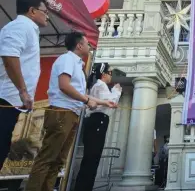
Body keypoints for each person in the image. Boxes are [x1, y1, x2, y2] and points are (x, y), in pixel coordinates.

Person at [25, 32, 116, 191]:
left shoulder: (77, 65)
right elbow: (64, 85)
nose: (89, 46)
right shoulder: (67, 59)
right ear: (79, 45)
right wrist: (87, 101)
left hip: (72, 114)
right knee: (47, 158)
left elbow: (80, 92)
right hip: (62, 112)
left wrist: (102, 101)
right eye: (87, 43)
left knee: (58, 160)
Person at [0, 0, 49, 170]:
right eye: (45, 11)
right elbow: (9, 56)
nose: (47, 16)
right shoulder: (20, 26)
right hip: (5, 98)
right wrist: (22, 90)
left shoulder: (29, 29)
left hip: (11, 101)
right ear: (32, 11)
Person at [74, 63, 122, 191]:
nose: (111, 76)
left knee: (91, 158)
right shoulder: (100, 85)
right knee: (92, 158)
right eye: (110, 73)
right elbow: (111, 103)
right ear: (104, 74)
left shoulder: (98, 86)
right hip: (98, 121)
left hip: (97, 121)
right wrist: (116, 91)